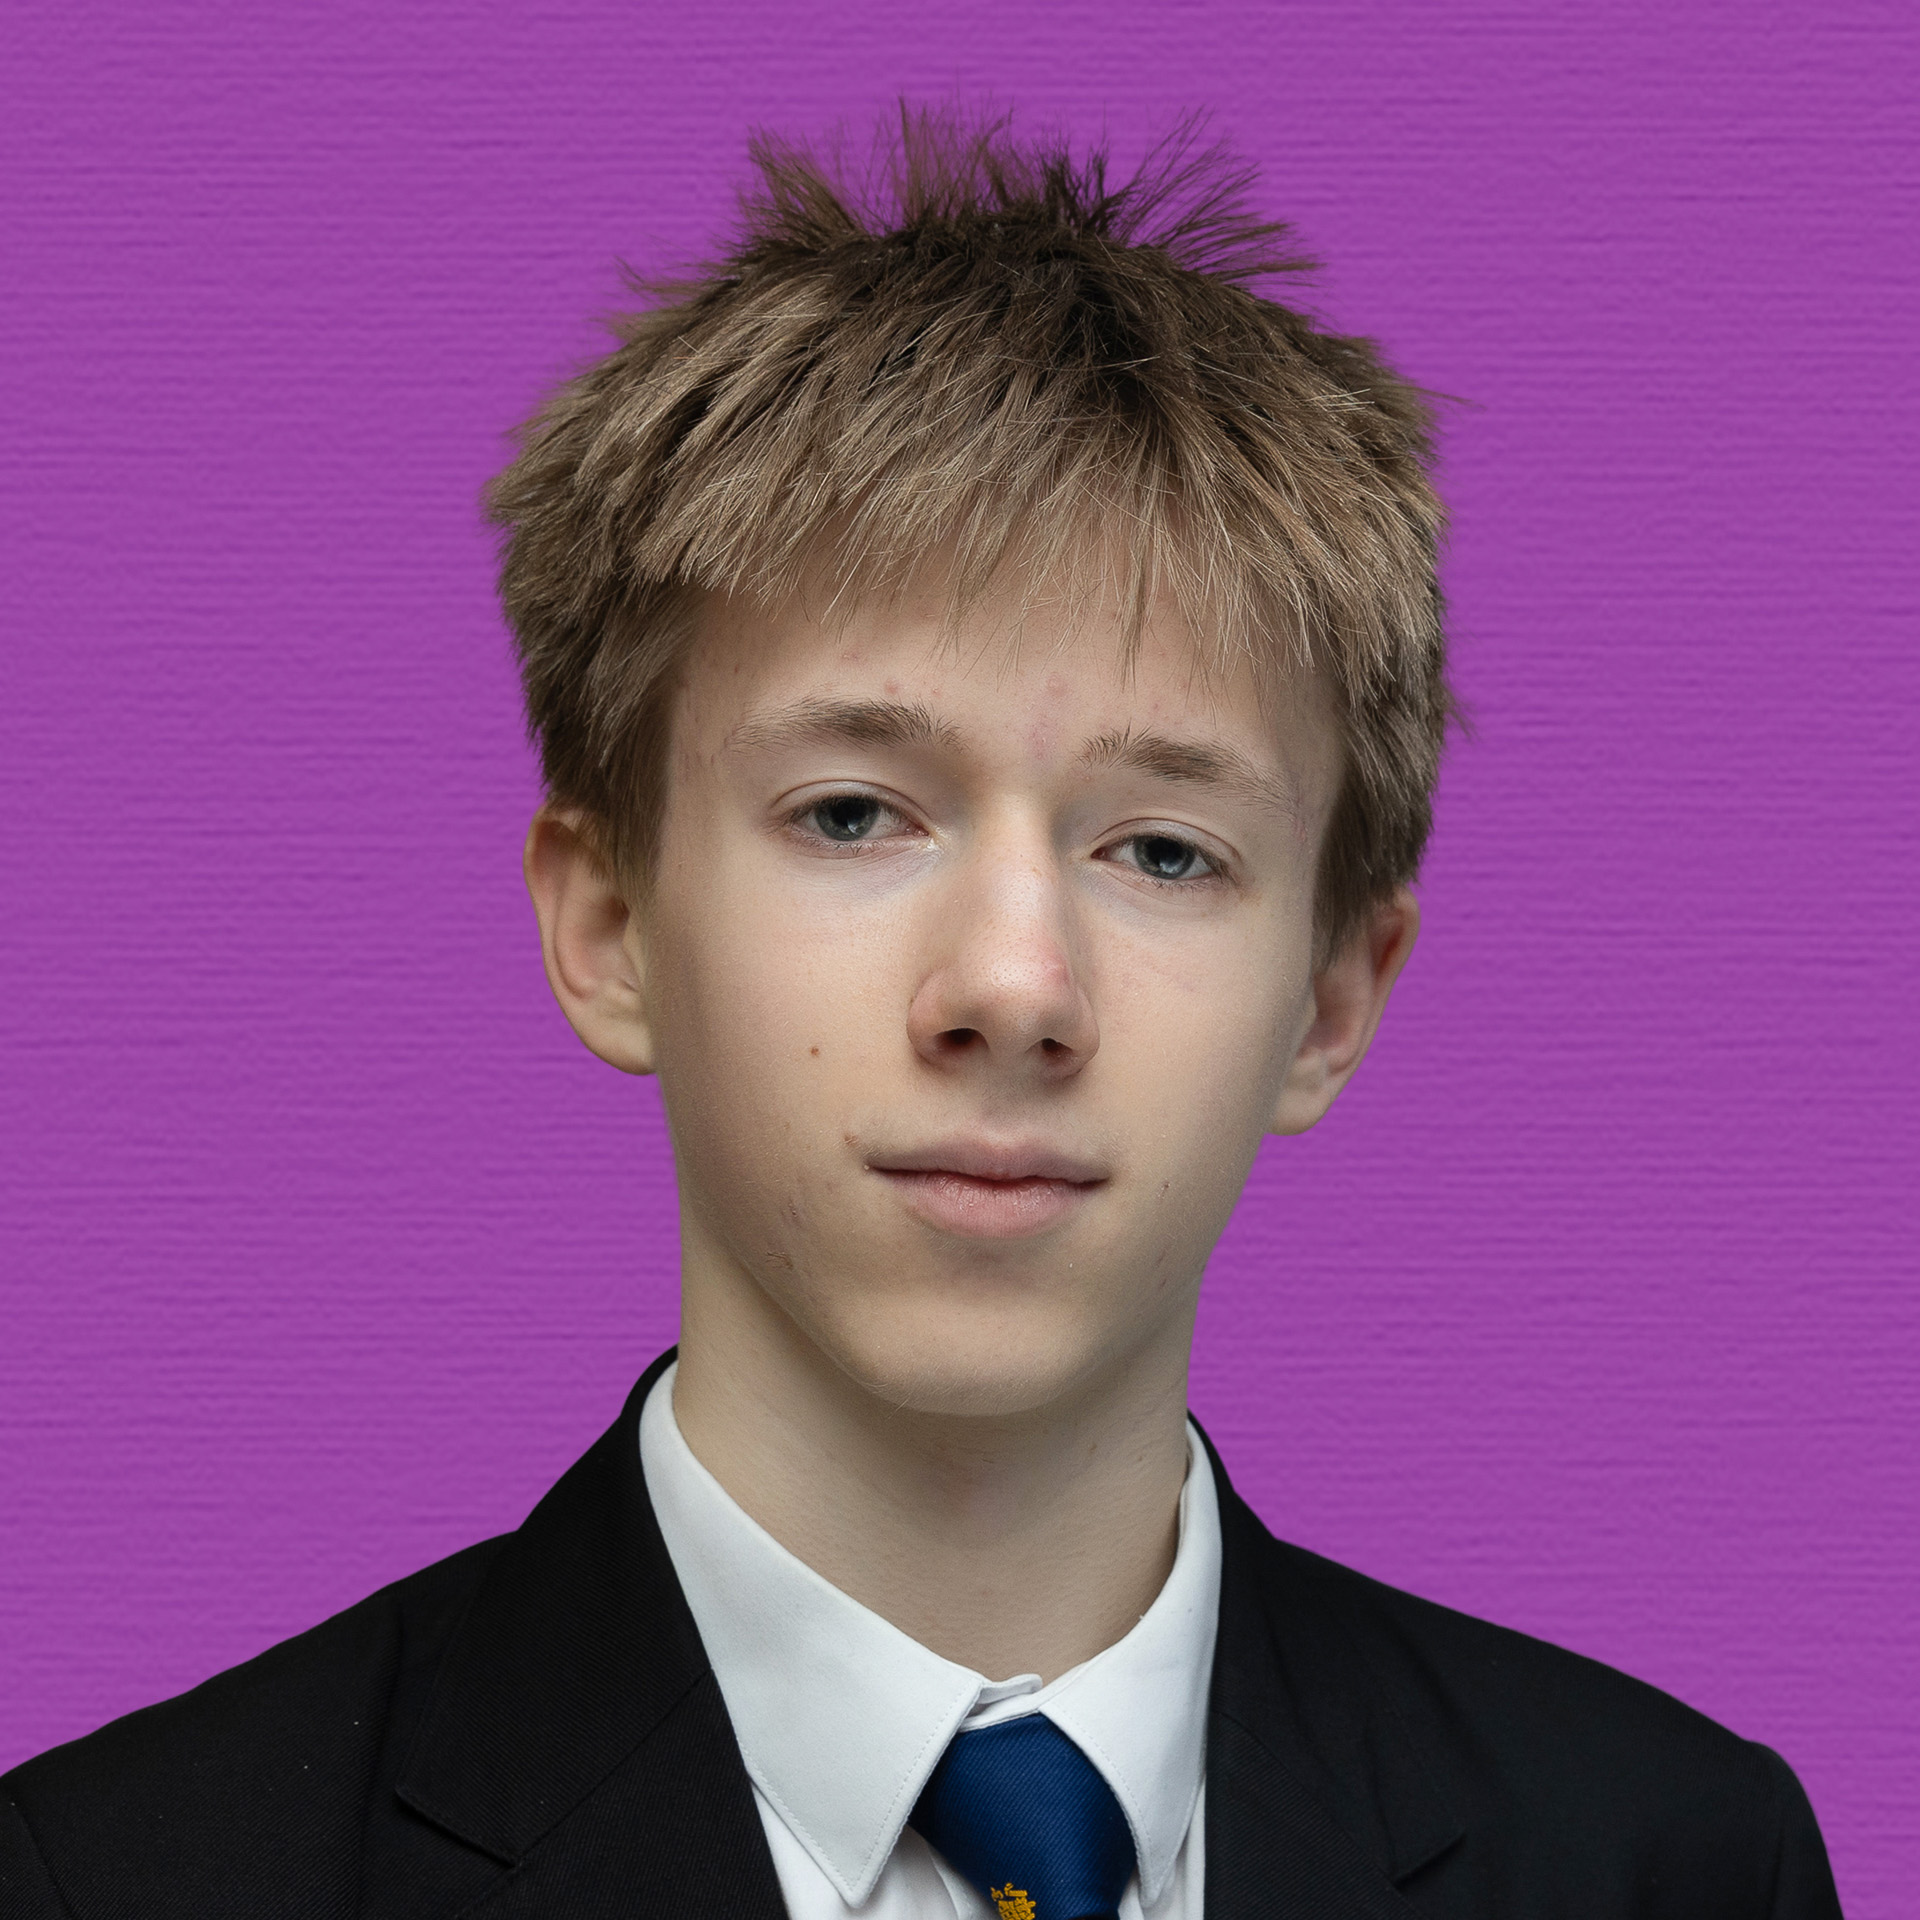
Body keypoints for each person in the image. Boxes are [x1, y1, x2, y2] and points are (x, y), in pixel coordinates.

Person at [0, 113, 1841, 1920]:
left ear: (1334, 996)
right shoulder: (117, 1876)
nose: (1016, 991)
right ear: (611, 921)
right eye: (855, 814)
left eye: (1166, 849)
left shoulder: (1675, 1860)